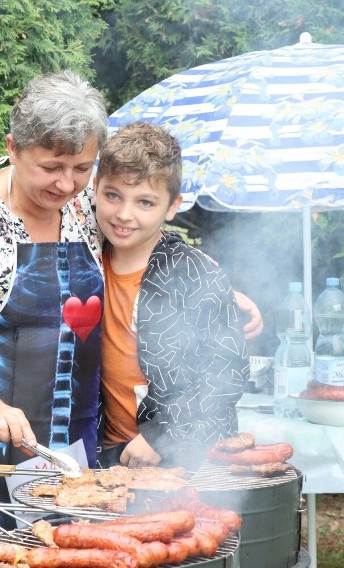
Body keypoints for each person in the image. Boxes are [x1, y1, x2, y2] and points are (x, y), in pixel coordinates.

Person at [0, 71, 263, 530]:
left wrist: (215, 290)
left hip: (73, 457)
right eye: (50, 167)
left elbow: (140, 242)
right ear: (14, 149)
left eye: (81, 169)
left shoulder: (80, 210)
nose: (66, 185)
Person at [93, 121, 250, 470]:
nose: (124, 214)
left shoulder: (194, 273)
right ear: (95, 188)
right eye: (113, 195)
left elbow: (227, 372)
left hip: (184, 459)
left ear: (172, 206)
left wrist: (163, 434)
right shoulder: (88, 255)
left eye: (145, 202)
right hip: (109, 454)